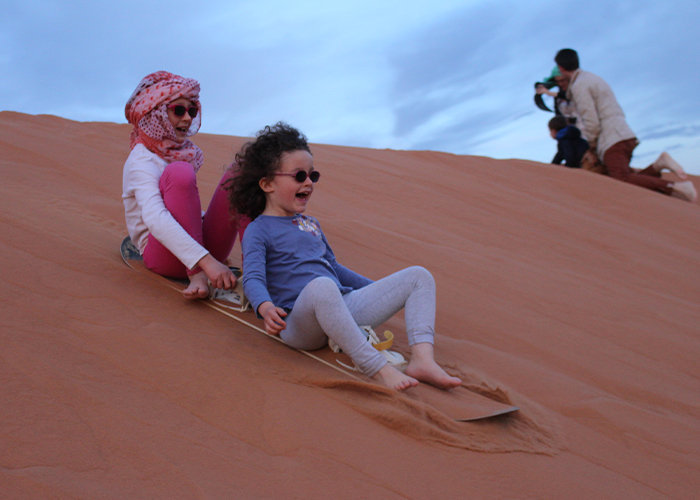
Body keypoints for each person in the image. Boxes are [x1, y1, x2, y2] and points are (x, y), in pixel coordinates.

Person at [228, 122, 462, 392]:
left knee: (418, 276)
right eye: (299, 175)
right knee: (321, 287)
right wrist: (265, 307)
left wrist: (380, 291)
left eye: (312, 176)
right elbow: (254, 277)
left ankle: (423, 360)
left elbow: (334, 268)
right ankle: (376, 368)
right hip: (299, 324)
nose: (308, 182)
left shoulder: (311, 224)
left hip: (339, 307)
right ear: (267, 183)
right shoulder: (259, 229)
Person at [122, 71, 249, 299]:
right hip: (164, 256)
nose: (188, 118)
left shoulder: (180, 153)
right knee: (179, 172)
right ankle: (196, 275)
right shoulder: (141, 160)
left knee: (240, 173)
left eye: (192, 110)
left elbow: (184, 209)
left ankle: (257, 271)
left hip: (204, 252)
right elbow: (155, 218)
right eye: (178, 110)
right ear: (156, 113)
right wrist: (204, 265)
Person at [554, 48, 697, 202]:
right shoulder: (591, 78)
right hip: (623, 134)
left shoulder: (579, 86)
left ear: (561, 68)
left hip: (612, 139)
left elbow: (591, 121)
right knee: (626, 178)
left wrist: (592, 147)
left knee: (620, 180)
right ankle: (658, 165)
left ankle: (677, 187)